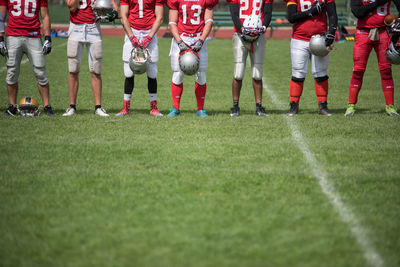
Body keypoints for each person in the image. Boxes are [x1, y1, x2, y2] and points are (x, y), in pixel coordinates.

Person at [344, 0, 400, 117]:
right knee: (358, 70)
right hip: (363, 31)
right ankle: (351, 105)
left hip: (383, 31)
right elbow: (358, 12)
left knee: (386, 70)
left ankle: (390, 106)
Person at [63, 0, 118, 117]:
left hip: (94, 28)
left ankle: (98, 107)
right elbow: (71, 7)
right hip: (76, 28)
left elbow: (114, 8)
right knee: (73, 70)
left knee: (96, 70)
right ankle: (72, 107)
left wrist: (110, 13)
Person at [0, 0, 55, 116]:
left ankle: (47, 106)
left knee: (40, 72)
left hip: (33, 36)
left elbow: (45, 16)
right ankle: (12, 106)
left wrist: (47, 37)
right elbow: (1, 15)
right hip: (13, 36)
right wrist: (0, 38)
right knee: (11, 72)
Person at [285, 0, 338, 116]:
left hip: (320, 38)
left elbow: (332, 14)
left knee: (321, 73)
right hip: (299, 39)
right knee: (298, 73)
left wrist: (332, 31)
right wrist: (310, 12)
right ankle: (294, 105)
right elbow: (291, 17)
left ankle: (322, 105)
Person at [166, 0, 218, 117]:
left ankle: (200, 109)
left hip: (199, 36)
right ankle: (175, 107)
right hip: (182, 36)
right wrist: (179, 41)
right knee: (178, 73)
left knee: (201, 73)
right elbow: (172, 22)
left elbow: (209, 21)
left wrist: (201, 40)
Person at [116, 0, 164, 117]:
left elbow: (160, 17)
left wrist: (149, 36)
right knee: (128, 72)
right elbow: (123, 16)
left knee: (152, 72)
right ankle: (125, 107)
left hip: (150, 31)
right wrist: (132, 36)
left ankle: (154, 108)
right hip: (132, 31)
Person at [227, 0, 273, 117]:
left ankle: (259, 106)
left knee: (257, 74)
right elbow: (234, 13)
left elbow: (267, 12)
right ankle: (235, 106)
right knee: (238, 73)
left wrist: (263, 27)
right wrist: (242, 28)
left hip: (259, 35)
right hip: (240, 35)